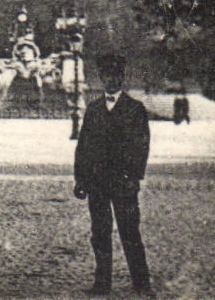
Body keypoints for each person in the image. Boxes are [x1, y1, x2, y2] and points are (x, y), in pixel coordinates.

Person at [73, 54, 153, 297]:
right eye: (106, 76)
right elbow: (83, 146)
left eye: (115, 76)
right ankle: (102, 283)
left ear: (122, 78)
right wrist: (81, 179)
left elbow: (142, 146)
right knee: (100, 234)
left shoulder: (135, 109)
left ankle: (141, 284)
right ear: (101, 78)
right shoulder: (94, 109)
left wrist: (134, 176)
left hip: (123, 182)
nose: (111, 80)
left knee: (130, 233)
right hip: (97, 183)